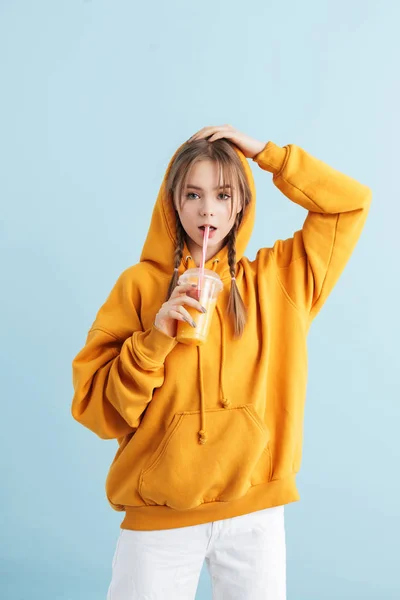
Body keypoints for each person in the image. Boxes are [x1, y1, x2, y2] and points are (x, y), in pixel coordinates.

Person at [71, 124, 372, 599]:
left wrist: (269, 154)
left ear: (241, 205)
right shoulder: (138, 288)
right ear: (174, 203)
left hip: (254, 515)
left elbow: (349, 204)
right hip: (159, 521)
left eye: (223, 193)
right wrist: (154, 339)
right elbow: (97, 411)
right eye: (193, 193)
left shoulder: (277, 284)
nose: (207, 208)